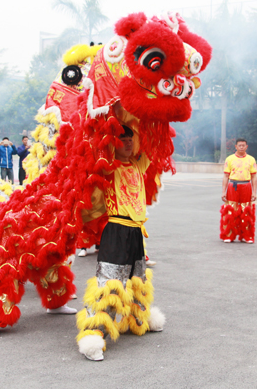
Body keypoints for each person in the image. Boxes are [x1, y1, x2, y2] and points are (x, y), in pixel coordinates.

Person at [76, 125, 165, 361]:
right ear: (113, 143)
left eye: (130, 139)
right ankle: (93, 335)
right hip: (116, 230)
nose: (127, 143)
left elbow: (155, 144)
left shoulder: (137, 164)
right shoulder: (108, 167)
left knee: (138, 280)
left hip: (136, 232)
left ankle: (137, 319)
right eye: (122, 139)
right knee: (110, 284)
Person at [219, 138, 257, 244]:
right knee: (231, 210)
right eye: (239, 145)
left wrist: (254, 192)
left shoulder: (251, 159)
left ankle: (246, 236)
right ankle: (228, 235)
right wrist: (223, 191)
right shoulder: (229, 159)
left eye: (243, 145)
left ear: (246, 147)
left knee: (246, 211)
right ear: (235, 146)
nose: (241, 147)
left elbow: (254, 177)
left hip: (246, 186)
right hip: (233, 186)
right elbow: (226, 176)